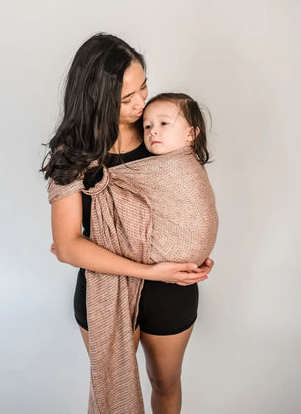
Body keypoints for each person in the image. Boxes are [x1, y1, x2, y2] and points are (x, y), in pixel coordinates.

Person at [42, 33, 215, 414]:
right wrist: (151, 269)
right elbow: (69, 247)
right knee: (112, 388)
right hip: (107, 284)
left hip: (171, 286)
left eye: (144, 87)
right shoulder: (73, 156)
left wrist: (191, 246)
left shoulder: (162, 135)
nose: (141, 104)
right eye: (126, 99)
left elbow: (188, 201)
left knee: (164, 381)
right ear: (96, 99)